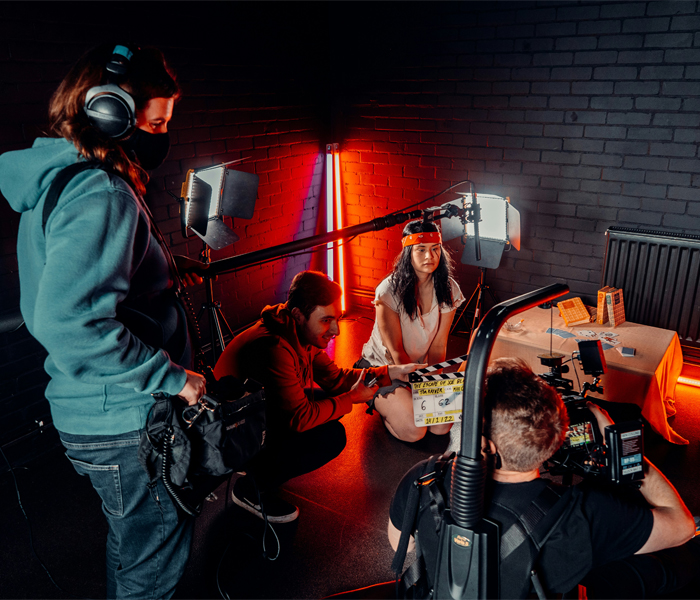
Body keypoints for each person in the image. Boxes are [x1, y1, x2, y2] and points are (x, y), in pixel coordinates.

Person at [0, 43, 207, 599]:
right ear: (111, 113)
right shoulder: (103, 192)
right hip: (125, 421)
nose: (162, 135)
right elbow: (70, 322)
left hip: (95, 415)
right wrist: (174, 377)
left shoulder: (62, 180)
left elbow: (72, 283)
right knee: (153, 567)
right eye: (157, 122)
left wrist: (158, 270)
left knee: (133, 545)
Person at [389, 358, 700, 598]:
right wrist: (619, 450)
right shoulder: (583, 513)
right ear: (552, 441)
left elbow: (398, 542)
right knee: (679, 559)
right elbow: (682, 526)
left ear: (484, 441)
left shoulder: (425, 476)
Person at [213, 270, 425, 523]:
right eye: (326, 320)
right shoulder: (274, 347)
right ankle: (250, 487)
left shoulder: (299, 332)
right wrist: (352, 398)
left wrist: (392, 373)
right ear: (298, 315)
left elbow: (336, 380)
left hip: (257, 409)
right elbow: (299, 419)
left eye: (337, 318)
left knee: (327, 403)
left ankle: (266, 466)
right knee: (330, 437)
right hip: (230, 434)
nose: (335, 329)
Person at [358, 220, 464, 442]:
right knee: (416, 431)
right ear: (408, 252)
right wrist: (421, 389)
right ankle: (383, 405)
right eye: (421, 250)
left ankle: (407, 403)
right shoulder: (388, 291)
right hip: (386, 369)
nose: (430, 257)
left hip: (420, 370)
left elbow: (438, 345)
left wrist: (433, 381)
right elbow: (397, 352)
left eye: (435, 249)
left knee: (441, 428)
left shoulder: (449, 288)